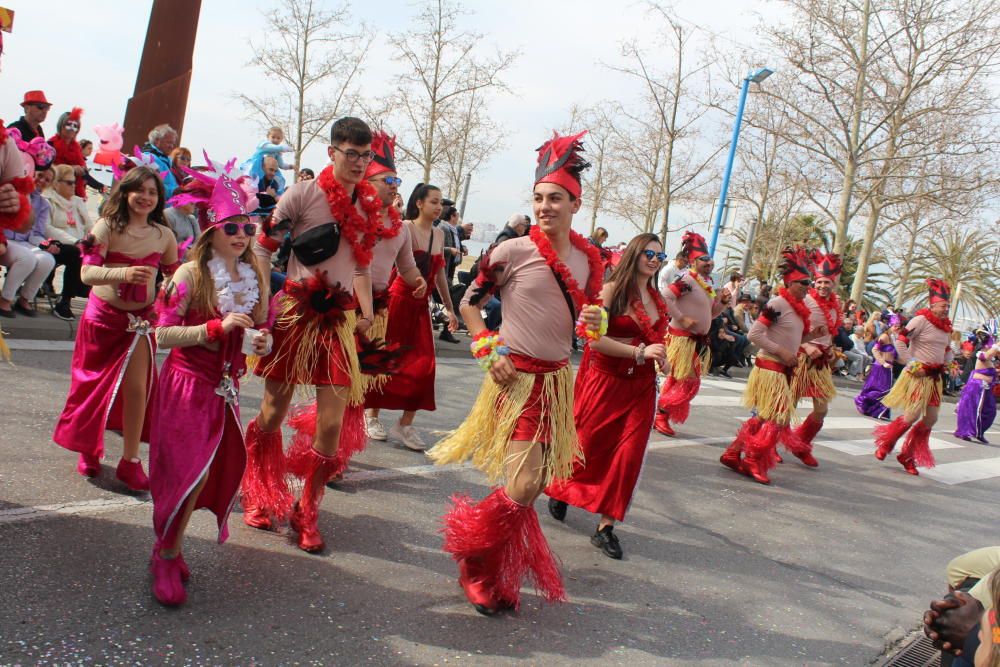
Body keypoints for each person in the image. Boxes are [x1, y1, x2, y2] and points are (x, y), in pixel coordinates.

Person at [427, 130, 605, 615]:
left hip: (556, 382)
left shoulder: (591, 261)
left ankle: (493, 566)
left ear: (576, 203)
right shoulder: (511, 252)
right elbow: (469, 304)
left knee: (530, 483)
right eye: (539, 198)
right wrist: (488, 350)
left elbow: (593, 319)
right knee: (524, 485)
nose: (545, 207)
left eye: (556, 199)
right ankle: (474, 557)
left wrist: (596, 320)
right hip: (516, 379)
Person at [243, 117, 380, 553]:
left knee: (331, 425)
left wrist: (365, 311)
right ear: (332, 153)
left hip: (337, 320)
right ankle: (259, 488)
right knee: (272, 412)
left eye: (365, 155)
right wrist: (265, 299)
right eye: (350, 153)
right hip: (296, 312)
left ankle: (308, 508)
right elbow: (264, 247)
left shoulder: (369, 205)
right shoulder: (302, 193)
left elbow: (360, 267)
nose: (358, 162)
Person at [148, 167, 272, 606]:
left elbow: (262, 329)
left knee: (205, 477)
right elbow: (161, 335)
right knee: (185, 472)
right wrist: (214, 329)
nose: (241, 235)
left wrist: (259, 339)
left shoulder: (253, 276)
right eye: (232, 228)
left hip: (226, 391)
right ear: (211, 230)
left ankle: (171, 545)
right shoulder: (188, 275)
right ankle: (165, 554)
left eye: (247, 227)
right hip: (186, 385)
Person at [52, 166, 180, 489]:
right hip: (102, 320)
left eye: (153, 192)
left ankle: (131, 460)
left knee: (138, 390)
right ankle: (88, 449)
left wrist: (168, 301)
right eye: (140, 191)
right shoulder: (105, 227)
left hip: (139, 324)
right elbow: (86, 275)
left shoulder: (164, 235)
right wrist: (123, 274)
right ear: (125, 192)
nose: (146, 198)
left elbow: (175, 280)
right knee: (92, 388)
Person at [545, 233, 667, 559]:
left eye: (660, 254)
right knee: (586, 444)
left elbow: (655, 341)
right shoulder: (612, 291)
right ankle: (562, 489)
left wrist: (660, 357)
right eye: (648, 253)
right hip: (604, 380)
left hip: (640, 386)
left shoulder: (658, 298)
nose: (655, 260)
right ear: (634, 255)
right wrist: (641, 351)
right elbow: (594, 341)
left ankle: (606, 527)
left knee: (628, 455)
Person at [720, 246, 825, 485]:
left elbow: (792, 339)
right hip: (770, 368)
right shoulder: (777, 303)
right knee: (778, 418)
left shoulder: (799, 309)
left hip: (782, 369)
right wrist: (782, 352)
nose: (807, 287)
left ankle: (733, 452)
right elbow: (755, 335)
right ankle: (753, 459)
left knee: (765, 416)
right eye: (803, 282)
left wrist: (811, 336)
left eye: (809, 283)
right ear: (789, 283)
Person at [365, 183, 458, 451]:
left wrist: (449, 308)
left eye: (441, 203)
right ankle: (371, 416)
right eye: (434, 201)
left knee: (424, 367)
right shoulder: (404, 227)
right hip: (396, 303)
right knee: (385, 360)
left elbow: (439, 275)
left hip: (420, 308)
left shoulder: (439, 234)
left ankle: (405, 424)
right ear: (419, 203)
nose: (440, 207)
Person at [873, 279, 954, 475]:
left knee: (931, 419)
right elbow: (901, 341)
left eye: (948, 306)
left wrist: (950, 363)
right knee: (911, 416)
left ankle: (907, 455)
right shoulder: (920, 320)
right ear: (932, 305)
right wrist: (912, 363)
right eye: (943, 306)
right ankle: (887, 443)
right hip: (918, 375)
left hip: (934, 378)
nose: (946, 309)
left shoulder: (946, 327)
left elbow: (947, 349)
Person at [653, 231, 723, 436]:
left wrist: (723, 304)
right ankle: (659, 412)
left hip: (696, 341)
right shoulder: (688, 281)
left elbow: (711, 314)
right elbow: (665, 297)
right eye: (704, 259)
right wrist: (681, 318)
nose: (709, 262)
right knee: (689, 383)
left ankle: (659, 415)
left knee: (677, 381)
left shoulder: (706, 283)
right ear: (693, 262)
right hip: (683, 339)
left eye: (710, 258)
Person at [789, 250, 844, 466]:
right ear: (815, 282)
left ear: (833, 284)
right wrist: (806, 345)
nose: (823, 286)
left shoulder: (835, 307)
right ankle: (772, 443)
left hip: (821, 363)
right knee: (787, 406)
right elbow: (792, 329)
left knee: (822, 409)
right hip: (801, 358)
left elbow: (829, 332)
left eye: (827, 283)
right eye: (819, 282)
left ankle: (800, 445)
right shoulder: (807, 300)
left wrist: (830, 350)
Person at [855, 315, 901, 420]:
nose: (898, 328)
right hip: (880, 367)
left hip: (888, 368)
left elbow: (894, 355)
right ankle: (863, 402)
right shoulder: (884, 337)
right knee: (879, 390)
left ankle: (875, 410)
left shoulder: (893, 338)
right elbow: (874, 350)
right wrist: (883, 362)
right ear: (890, 326)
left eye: (899, 326)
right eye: (895, 326)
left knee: (886, 391)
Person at [954, 341, 999, 444]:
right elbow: (986, 356)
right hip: (978, 387)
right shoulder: (981, 355)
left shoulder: (989, 359)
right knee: (974, 410)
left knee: (990, 411)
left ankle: (979, 432)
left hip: (985, 388)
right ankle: (966, 431)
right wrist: (997, 345)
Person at [48, 108, 88, 200]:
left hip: (73, 194)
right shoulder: (50, 145)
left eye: (75, 126)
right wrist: (71, 168)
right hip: (54, 192)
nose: (72, 129)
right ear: (61, 125)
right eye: (68, 124)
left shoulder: (77, 148)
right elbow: (46, 169)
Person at [142, 124, 179, 198]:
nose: (171, 146)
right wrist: (175, 191)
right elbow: (150, 185)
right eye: (169, 142)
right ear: (156, 141)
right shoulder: (148, 158)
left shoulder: (166, 160)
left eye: (173, 143)